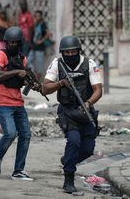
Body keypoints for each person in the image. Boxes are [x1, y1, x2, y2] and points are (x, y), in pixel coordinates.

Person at [41, 36, 103, 193]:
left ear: (78, 51)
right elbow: (45, 88)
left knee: (88, 149)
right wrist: (61, 83)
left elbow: (98, 90)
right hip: (67, 111)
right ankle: (68, 179)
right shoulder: (57, 64)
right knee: (74, 142)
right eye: (66, 52)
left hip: (85, 110)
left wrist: (88, 103)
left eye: (73, 52)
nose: (69, 55)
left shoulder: (89, 64)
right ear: (62, 53)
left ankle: (67, 160)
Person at [0, 26, 33, 181]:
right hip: (0, 102)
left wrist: (30, 82)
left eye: (16, 43)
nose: (13, 45)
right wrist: (17, 72)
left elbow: (20, 81)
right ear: (6, 43)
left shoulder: (23, 58)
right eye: (10, 43)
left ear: (20, 43)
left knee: (26, 134)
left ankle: (18, 171)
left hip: (17, 102)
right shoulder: (0, 55)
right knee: (10, 133)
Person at [29, 10, 52, 81]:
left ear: (41, 16)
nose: (37, 17)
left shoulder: (43, 24)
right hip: (34, 47)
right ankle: (33, 76)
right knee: (28, 60)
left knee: (39, 64)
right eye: (35, 16)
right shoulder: (35, 24)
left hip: (40, 48)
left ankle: (37, 79)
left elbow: (48, 33)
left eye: (38, 16)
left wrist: (41, 40)